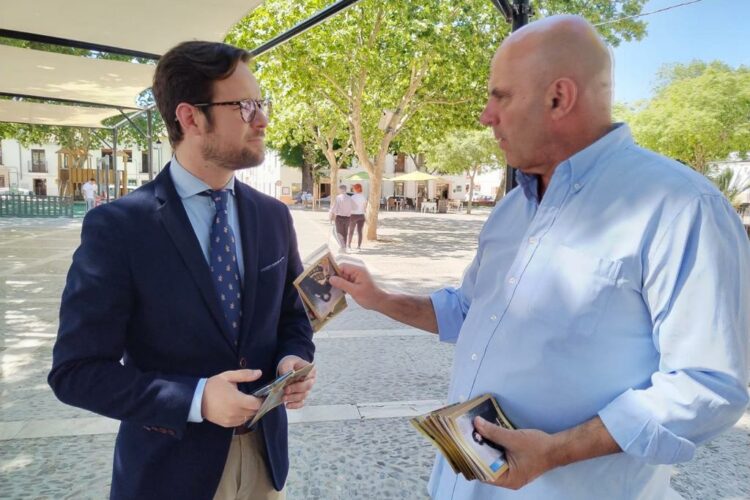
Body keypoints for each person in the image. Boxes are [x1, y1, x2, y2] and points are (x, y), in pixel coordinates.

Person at [330, 15, 750, 500]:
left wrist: (556, 451)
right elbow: (468, 312)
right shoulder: (511, 208)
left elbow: (708, 384)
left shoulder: (680, 207)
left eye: (500, 96)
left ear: (559, 98)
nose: (486, 116)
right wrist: (380, 298)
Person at [48, 41, 316, 500]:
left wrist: (293, 358)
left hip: (263, 464)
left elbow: (293, 316)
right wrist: (195, 399)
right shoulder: (119, 228)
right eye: (245, 106)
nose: (263, 120)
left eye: (262, 103)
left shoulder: (273, 216)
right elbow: (75, 371)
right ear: (190, 117)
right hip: (168, 472)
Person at [329, 184, 352, 252]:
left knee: (338, 233)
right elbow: (354, 208)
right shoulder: (350, 198)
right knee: (345, 233)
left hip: (339, 218)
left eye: (339, 190)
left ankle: (342, 246)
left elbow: (334, 208)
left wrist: (331, 215)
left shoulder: (338, 197)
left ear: (341, 189)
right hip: (348, 218)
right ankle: (344, 247)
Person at [347, 183, 367, 251]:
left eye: (354, 188)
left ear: (355, 189)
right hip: (361, 215)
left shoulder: (352, 197)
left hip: (353, 215)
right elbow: (365, 208)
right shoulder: (364, 197)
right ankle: (359, 246)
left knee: (351, 231)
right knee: (359, 231)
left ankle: (349, 245)